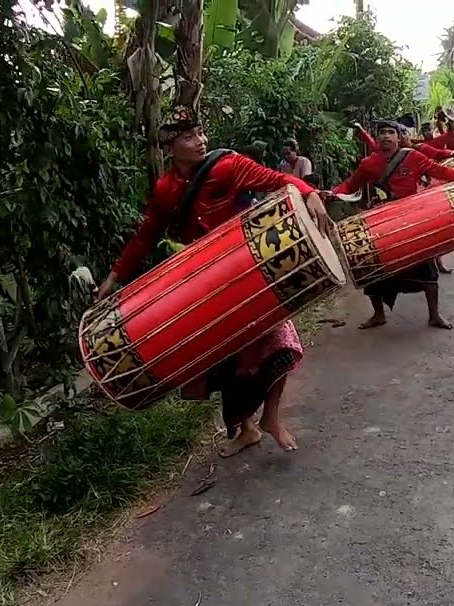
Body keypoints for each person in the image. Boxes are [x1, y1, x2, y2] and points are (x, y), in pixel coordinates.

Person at [97, 106, 337, 457]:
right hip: (207, 286)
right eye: (189, 136)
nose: (201, 141)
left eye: (200, 133)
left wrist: (309, 193)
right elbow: (146, 236)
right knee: (227, 363)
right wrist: (114, 276)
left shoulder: (228, 165)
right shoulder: (165, 189)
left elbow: (276, 180)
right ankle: (247, 428)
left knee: (281, 344)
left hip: (251, 273)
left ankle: (271, 417)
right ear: (170, 147)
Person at [328, 119, 454, 330]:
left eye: (390, 132)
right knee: (372, 271)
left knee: (427, 272)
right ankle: (378, 315)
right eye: (382, 132)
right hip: (380, 225)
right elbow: (350, 185)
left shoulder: (414, 157)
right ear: (377, 138)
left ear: (398, 137)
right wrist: (332, 193)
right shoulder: (368, 164)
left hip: (411, 223)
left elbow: (439, 171)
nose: (386, 136)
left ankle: (434, 315)